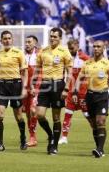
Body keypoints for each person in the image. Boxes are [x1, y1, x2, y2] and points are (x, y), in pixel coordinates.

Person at [73, 40, 109, 158]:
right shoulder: (87, 63)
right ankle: (99, 148)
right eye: (94, 46)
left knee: (100, 121)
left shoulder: (108, 64)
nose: (96, 48)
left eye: (98, 46)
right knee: (94, 124)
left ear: (104, 48)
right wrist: (75, 92)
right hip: (89, 96)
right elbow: (79, 78)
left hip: (102, 96)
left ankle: (100, 149)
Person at [30, 27, 73, 155]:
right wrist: (32, 85)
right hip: (44, 85)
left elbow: (70, 72)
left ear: (60, 38)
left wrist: (66, 89)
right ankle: (51, 135)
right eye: (51, 36)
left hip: (58, 85)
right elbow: (37, 69)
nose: (52, 38)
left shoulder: (64, 51)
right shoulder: (43, 51)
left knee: (56, 117)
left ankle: (53, 146)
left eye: (55, 36)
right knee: (39, 115)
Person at [0, 30, 28, 151]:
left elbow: (24, 72)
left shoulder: (19, 53)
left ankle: (23, 138)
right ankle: (0, 143)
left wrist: (24, 88)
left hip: (15, 85)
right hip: (1, 86)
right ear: (1, 40)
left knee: (18, 116)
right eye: (5, 38)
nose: (7, 40)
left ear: (12, 40)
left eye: (9, 38)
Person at [58, 39, 92, 145]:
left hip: (83, 92)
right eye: (69, 48)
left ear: (77, 46)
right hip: (70, 91)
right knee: (68, 113)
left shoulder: (85, 58)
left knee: (87, 114)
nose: (70, 50)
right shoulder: (67, 58)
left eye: (72, 48)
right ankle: (64, 137)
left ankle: (96, 132)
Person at [23, 35, 40, 147]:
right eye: (26, 42)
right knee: (28, 114)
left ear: (35, 43)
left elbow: (40, 72)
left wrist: (35, 87)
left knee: (34, 110)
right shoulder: (22, 55)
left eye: (29, 42)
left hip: (37, 88)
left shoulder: (39, 55)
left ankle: (33, 138)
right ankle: (32, 135)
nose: (27, 44)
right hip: (25, 88)